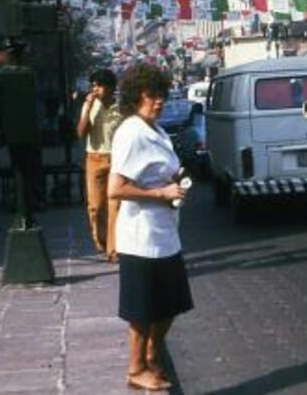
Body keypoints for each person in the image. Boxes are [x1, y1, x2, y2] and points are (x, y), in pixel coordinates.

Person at [108, 64, 193, 391]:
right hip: (141, 235)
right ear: (136, 96)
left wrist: (174, 181)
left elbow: (157, 170)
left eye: (161, 95)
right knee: (142, 311)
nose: (157, 101)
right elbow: (115, 189)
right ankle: (135, 367)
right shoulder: (130, 132)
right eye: (150, 95)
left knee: (171, 303)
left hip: (165, 232)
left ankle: (151, 353)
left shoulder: (154, 129)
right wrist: (160, 193)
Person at [76, 69, 122, 262]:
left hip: (117, 158)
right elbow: (81, 132)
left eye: (100, 85)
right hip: (95, 158)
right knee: (96, 206)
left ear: (111, 88)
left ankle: (114, 249)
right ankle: (101, 240)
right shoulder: (90, 105)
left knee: (115, 205)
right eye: (93, 85)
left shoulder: (121, 108)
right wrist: (87, 108)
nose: (96, 89)